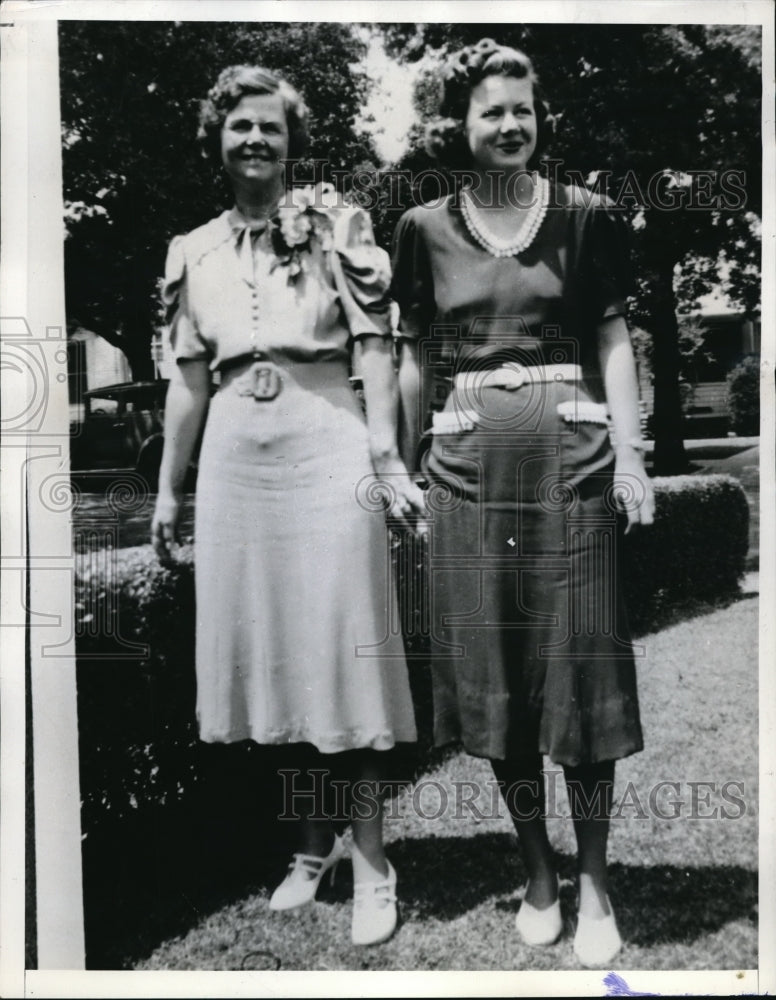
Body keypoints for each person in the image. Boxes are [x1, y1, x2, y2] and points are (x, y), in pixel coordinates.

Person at [391, 39, 654, 967]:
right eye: (491, 111)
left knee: (582, 678)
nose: (510, 125)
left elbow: (613, 339)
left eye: (523, 110)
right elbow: (413, 356)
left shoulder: (585, 215)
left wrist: (632, 457)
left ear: (540, 119)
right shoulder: (421, 228)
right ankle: (538, 871)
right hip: (468, 475)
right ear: (459, 125)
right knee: (498, 683)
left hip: (570, 465)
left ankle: (596, 882)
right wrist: (404, 465)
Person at [151, 64, 424, 947]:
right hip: (238, 459)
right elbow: (188, 382)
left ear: (292, 140)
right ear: (217, 141)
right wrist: (170, 488)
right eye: (240, 126)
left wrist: (385, 455)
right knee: (276, 656)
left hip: (326, 444)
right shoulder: (190, 250)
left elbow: (376, 347)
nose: (255, 139)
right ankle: (311, 848)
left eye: (270, 126)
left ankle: (373, 860)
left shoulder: (338, 226)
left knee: (345, 650)